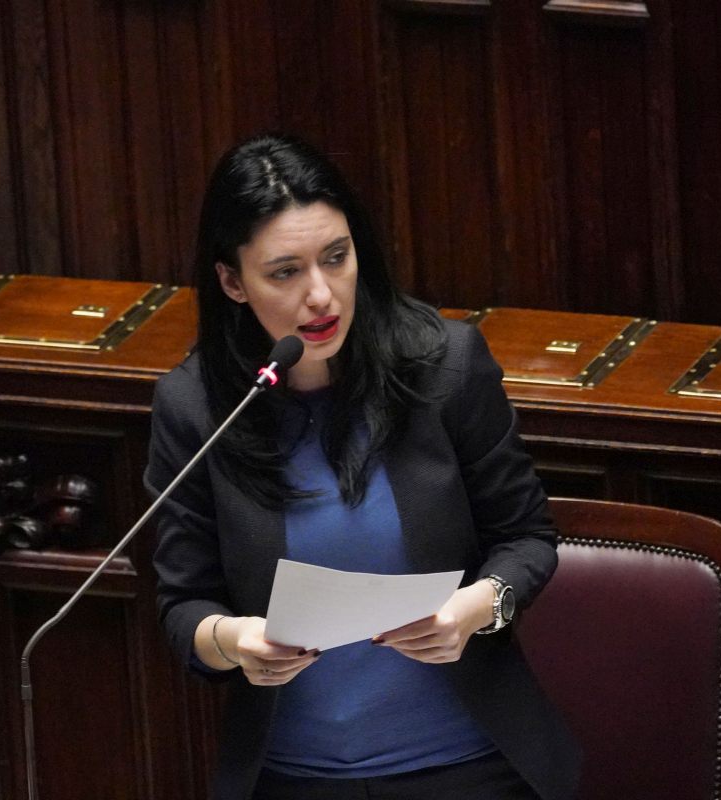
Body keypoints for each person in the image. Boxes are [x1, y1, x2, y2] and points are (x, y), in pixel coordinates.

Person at [146, 133, 580, 800]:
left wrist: (475, 609)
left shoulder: (444, 366)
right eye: (285, 272)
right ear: (232, 281)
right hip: (291, 780)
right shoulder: (198, 408)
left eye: (336, 258)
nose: (321, 295)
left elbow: (526, 538)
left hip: (471, 769)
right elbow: (183, 605)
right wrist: (233, 640)